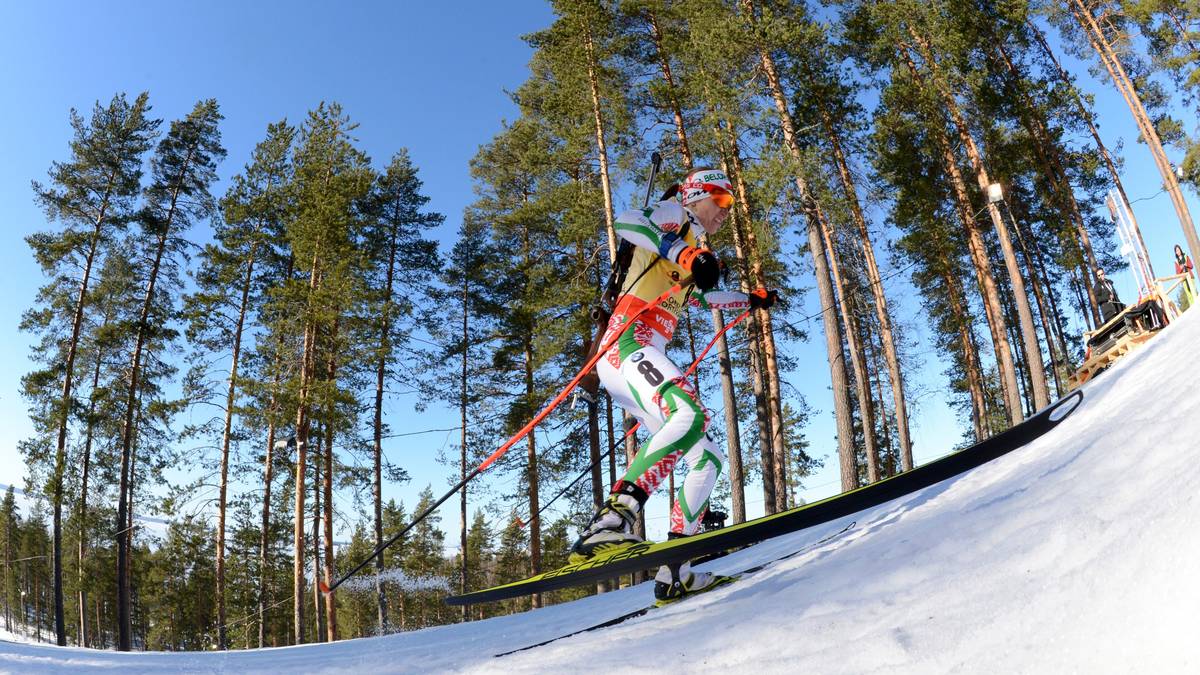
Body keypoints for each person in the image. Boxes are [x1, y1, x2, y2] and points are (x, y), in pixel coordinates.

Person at [569, 168, 778, 604]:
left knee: (708, 458)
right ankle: (612, 520)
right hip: (627, 345)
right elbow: (626, 220)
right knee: (689, 413)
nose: (726, 212)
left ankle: (676, 572)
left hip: (638, 356)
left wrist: (751, 300)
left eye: (730, 206)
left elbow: (705, 298)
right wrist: (685, 254)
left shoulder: (692, 245)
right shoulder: (673, 216)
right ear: (697, 196)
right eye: (720, 202)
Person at [1174, 244, 1195, 309]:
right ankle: (1193, 306)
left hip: (1190, 276)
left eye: (1178, 249)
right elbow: (1177, 273)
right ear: (1176, 253)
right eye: (1176, 251)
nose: (1178, 251)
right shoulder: (1176, 261)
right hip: (1183, 279)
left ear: (1180, 249)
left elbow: (1191, 266)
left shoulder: (1186, 256)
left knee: (1193, 290)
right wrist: (1181, 268)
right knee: (1188, 294)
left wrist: (1186, 264)